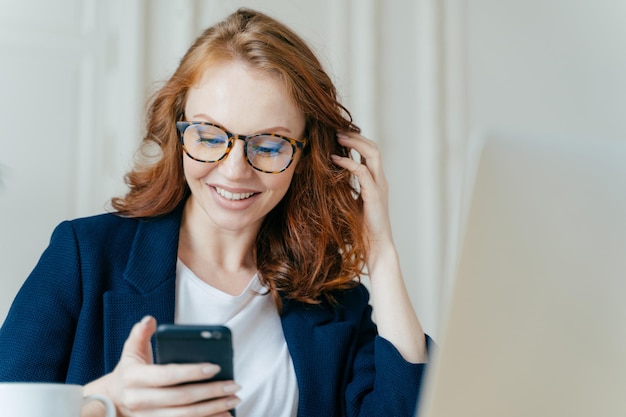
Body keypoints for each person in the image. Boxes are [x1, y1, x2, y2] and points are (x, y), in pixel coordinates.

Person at [0, 8, 430, 417]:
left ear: (305, 153)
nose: (234, 170)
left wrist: (381, 249)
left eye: (268, 144)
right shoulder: (85, 256)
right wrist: (103, 402)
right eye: (208, 135)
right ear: (178, 126)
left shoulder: (333, 304)